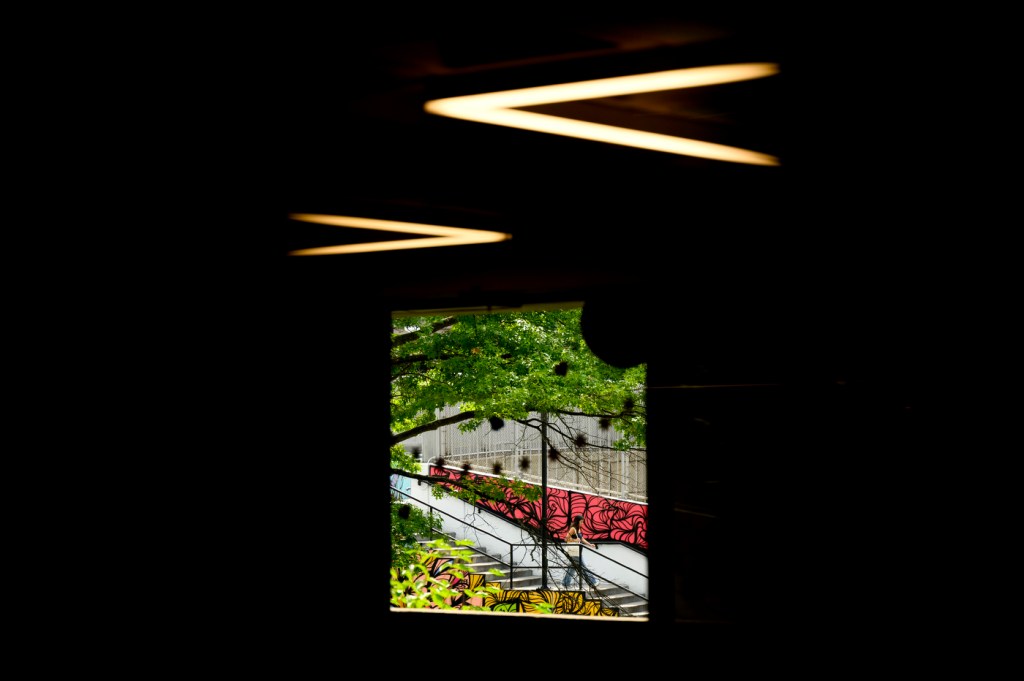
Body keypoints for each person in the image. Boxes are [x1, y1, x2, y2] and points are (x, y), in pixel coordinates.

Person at [561, 515, 600, 589]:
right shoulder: (572, 529)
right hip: (573, 551)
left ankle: (565, 583)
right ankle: (593, 582)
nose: (582, 523)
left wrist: (590, 544)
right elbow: (566, 539)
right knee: (583, 566)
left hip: (576, 551)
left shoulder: (578, 529)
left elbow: (581, 539)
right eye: (581, 522)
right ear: (577, 521)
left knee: (572, 567)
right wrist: (575, 540)